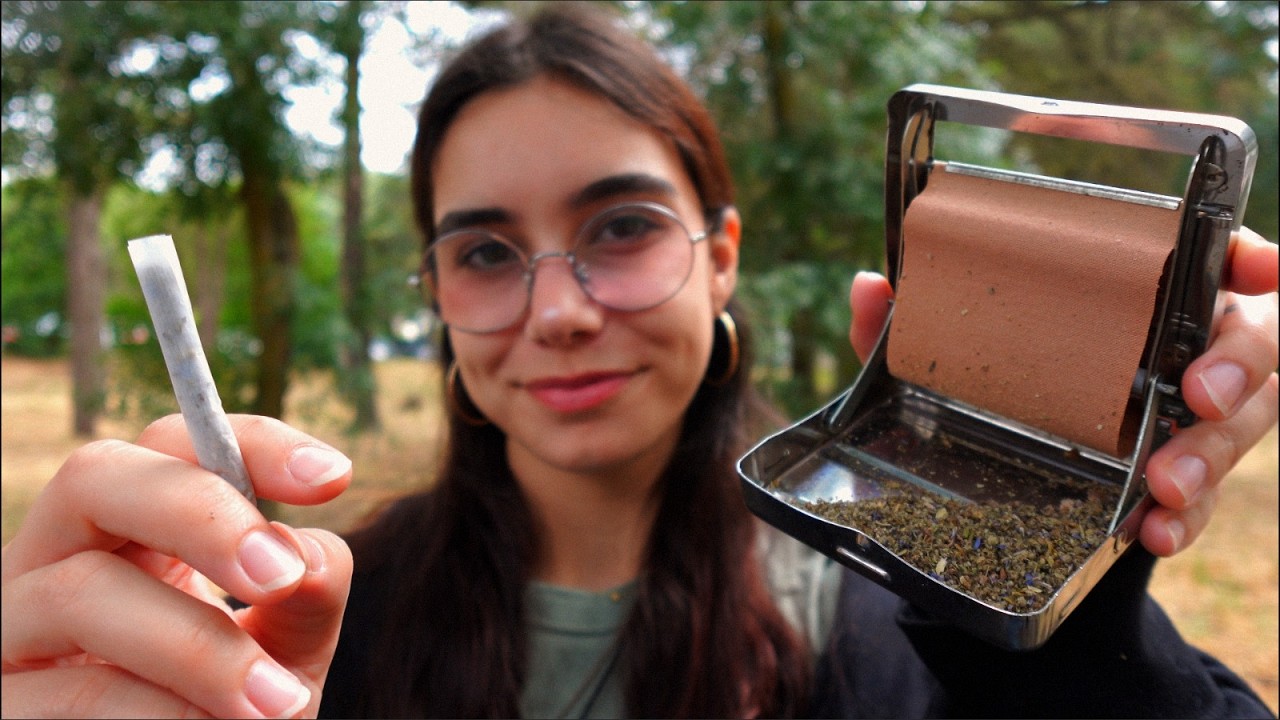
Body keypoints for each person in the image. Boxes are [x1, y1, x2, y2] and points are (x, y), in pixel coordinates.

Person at [2, 4, 1277, 718]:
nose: (555, 313)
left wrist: (1068, 641)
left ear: (721, 258)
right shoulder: (314, 627)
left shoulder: (890, 625)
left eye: (619, 229)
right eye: (485, 254)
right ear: (437, 297)